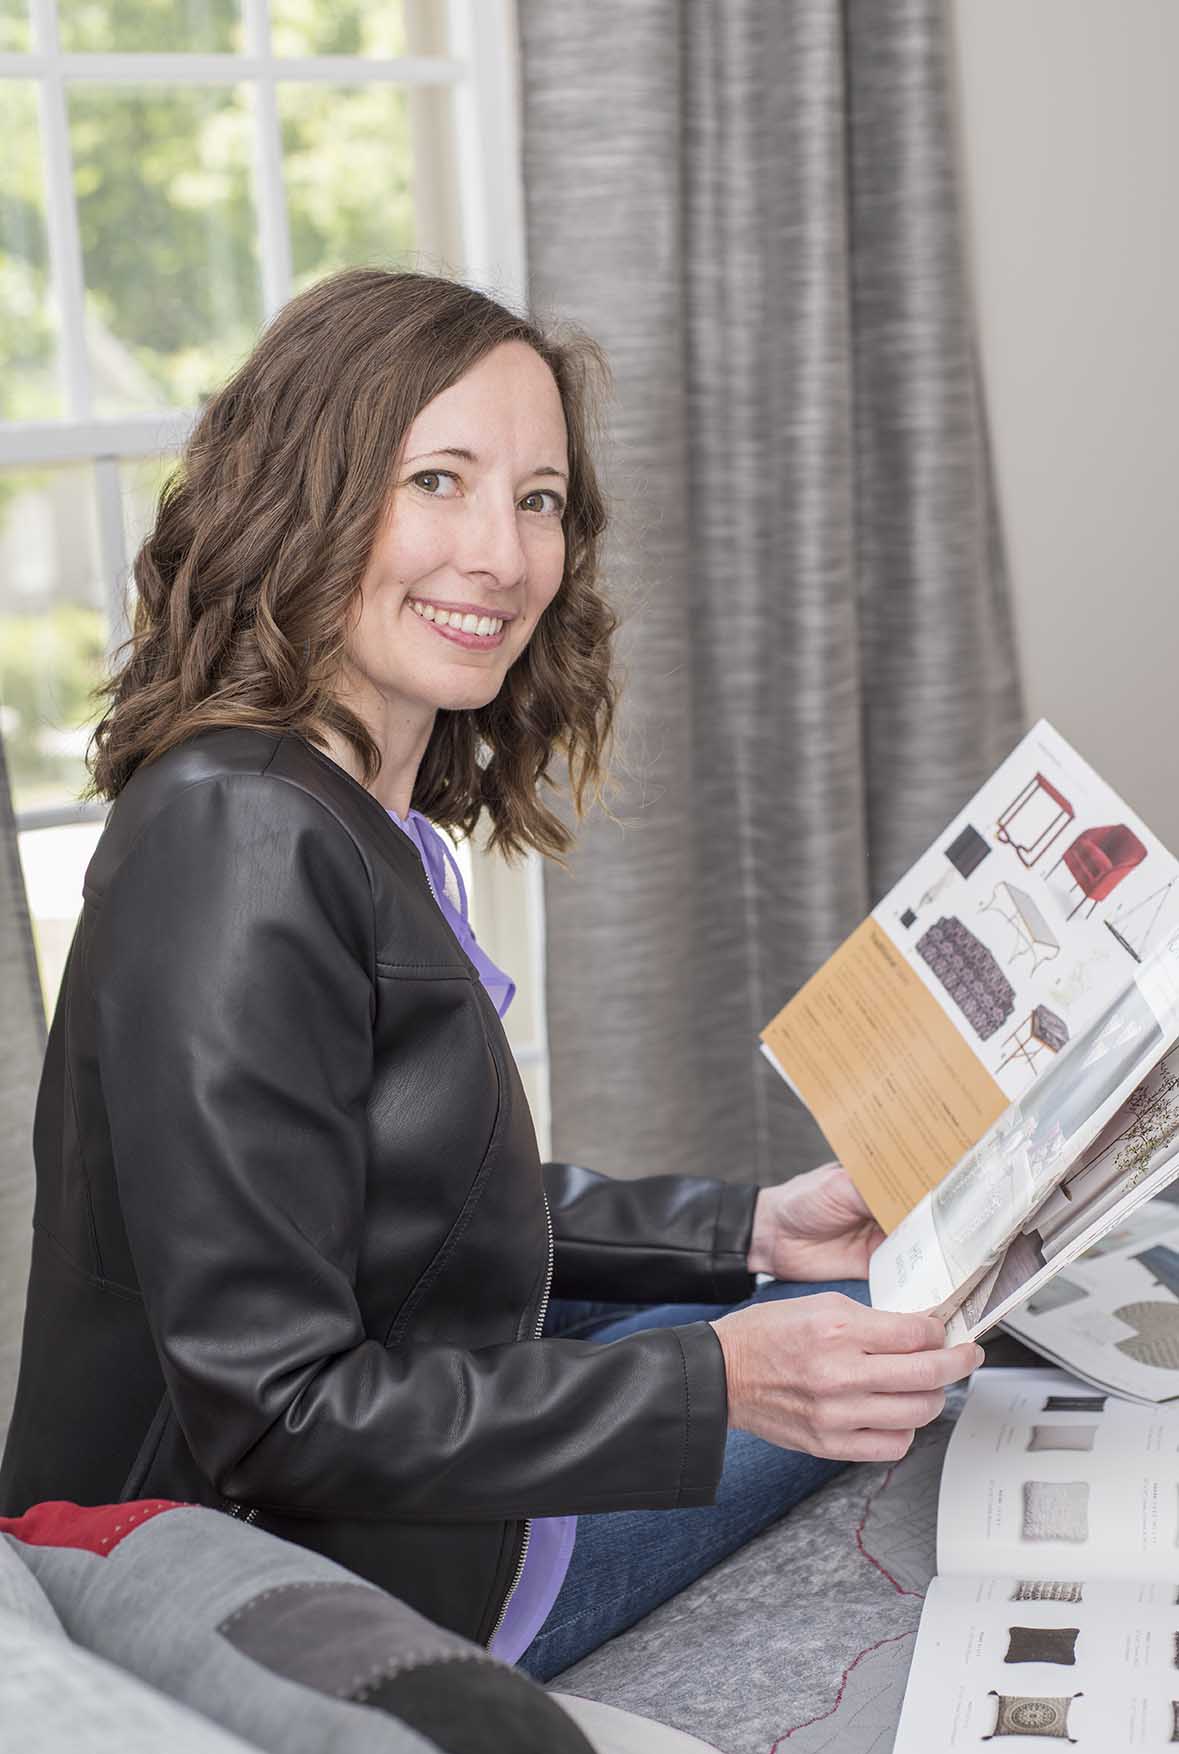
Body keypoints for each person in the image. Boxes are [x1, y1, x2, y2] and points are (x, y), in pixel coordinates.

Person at [0, 269, 981, 1681]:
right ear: (310, 492)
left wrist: (755, 1229)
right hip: (275, 1585)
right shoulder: (242, 837)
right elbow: (277, 1410)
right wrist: (729, 1377)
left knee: (831, 1311)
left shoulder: (335, 810)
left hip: (363, 1508)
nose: (502, 555)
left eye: (537, 500)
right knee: (914, 1358)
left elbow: (406, 1213)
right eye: (439, 480)